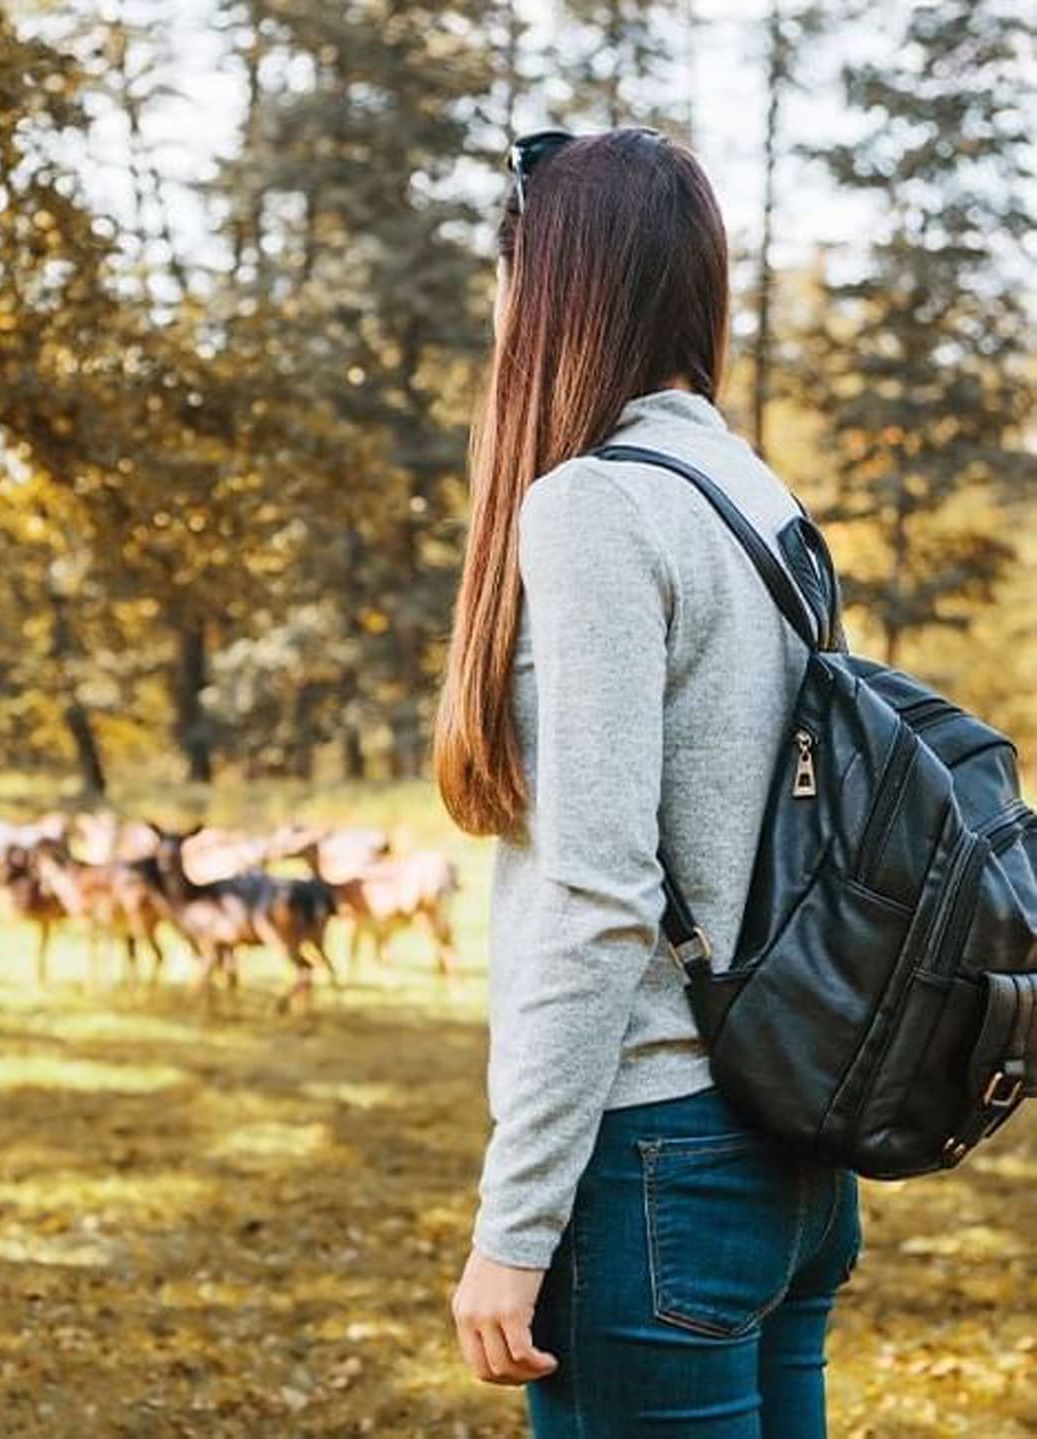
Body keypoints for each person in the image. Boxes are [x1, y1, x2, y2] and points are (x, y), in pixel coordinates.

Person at [434, 127, 863, 1435]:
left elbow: (600, 895)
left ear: (554, 287)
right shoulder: (755, 494)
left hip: (653, 1167)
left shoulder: (594, 506)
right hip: (792, 1147)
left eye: (512, 273)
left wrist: (515, 1226)